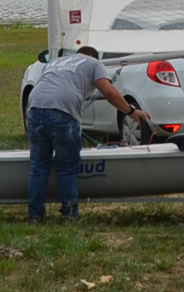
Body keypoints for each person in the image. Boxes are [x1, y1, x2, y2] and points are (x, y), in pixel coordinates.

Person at [20, 45, 135, 221]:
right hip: (62, 112)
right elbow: (108, 91)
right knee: (67, 168)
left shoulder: (55, 62)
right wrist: (131, 111)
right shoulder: (94, 63)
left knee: (39, 167)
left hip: (35, 108)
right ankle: (70, 213)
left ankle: (35, 215)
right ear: (94, 57)